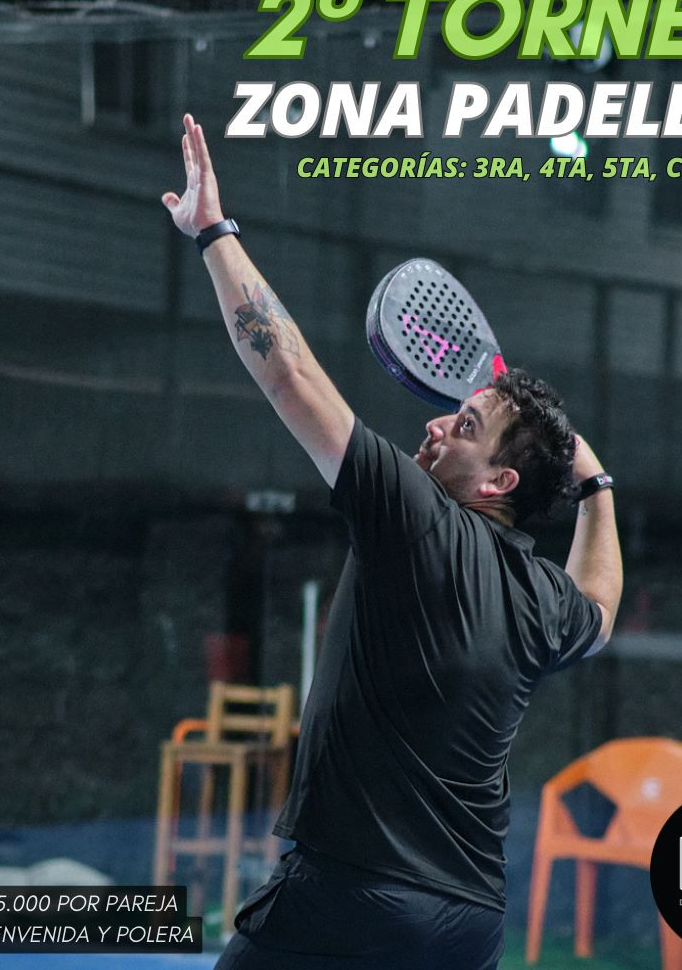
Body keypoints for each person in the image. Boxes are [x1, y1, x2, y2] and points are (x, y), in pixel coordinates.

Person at [162, 114, 622, 970]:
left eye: (465, 423)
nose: (437, 423)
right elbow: (600, 608)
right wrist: (596, 488)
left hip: (349, 896)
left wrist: (214, 232)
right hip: (469, 920)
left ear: (499, 483)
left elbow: (289, 374)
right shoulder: (545, 601)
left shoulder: (414, 516)